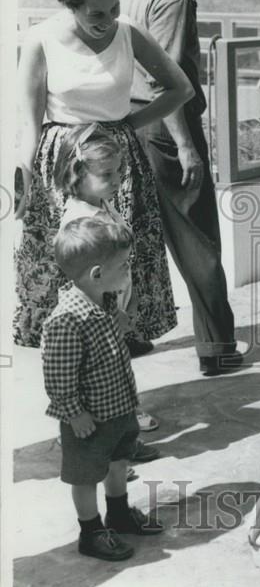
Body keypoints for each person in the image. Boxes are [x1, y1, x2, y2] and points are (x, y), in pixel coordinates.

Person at [14, 0, 192, 361]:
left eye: (114, 7)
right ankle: (74, 360)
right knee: (73, 266)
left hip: (117, 164)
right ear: (71, 3)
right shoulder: (40, 39)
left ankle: (119, 362)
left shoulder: (128, 32)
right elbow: (30, 123)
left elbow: (180, 89)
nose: (108, 18)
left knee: (118, 268)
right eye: (96, 12)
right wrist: (22, 181)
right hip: (64, 167)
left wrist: (129, 123)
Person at [121, 0, 248, 377]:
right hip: (167, 130)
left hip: (131, 124)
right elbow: (168, 79)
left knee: (135, 237)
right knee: (198, 240)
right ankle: (218, 348)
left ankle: (128, 334)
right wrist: (186, 146)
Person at [42, 217, 164, 562]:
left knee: (118, 462)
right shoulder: (67, 320)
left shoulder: (102, 303)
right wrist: (74, 413)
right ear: (97, 274)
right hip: (89, 419)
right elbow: (58, 375)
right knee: (86, 476)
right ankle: (91, 531)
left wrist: (118, 325)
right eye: (123, 265)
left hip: (119, 408)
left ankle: (119, 513)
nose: (128, 270)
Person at [56, 123, 160, 434]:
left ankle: (122, 423)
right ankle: (95, 434)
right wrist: (113, 314)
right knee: (97, 372)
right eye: (107, 176)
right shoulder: (81, 220)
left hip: (113, 303)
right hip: (96, 313)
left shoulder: (100, 203)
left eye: (118, 172)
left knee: (116, 366)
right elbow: (85, 281)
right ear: (76, 174)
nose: (117, 181)